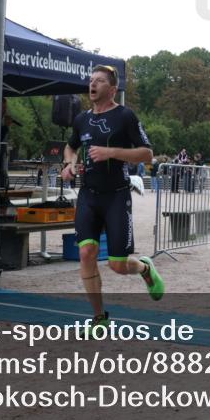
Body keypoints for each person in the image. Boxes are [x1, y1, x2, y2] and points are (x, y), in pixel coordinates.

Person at [61, 65, 163, 334]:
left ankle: (144, 268)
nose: (92, 85)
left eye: (99, 81)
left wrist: (111, 152)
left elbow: (146, 154)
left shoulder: (125, 116)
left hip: (116, 197)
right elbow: (71, 146)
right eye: (90, 81)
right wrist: (70, 165)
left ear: (112, 89)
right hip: (88, 195)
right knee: (86, 252)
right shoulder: (82, 119)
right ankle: (99, 318)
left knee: (117, 265)